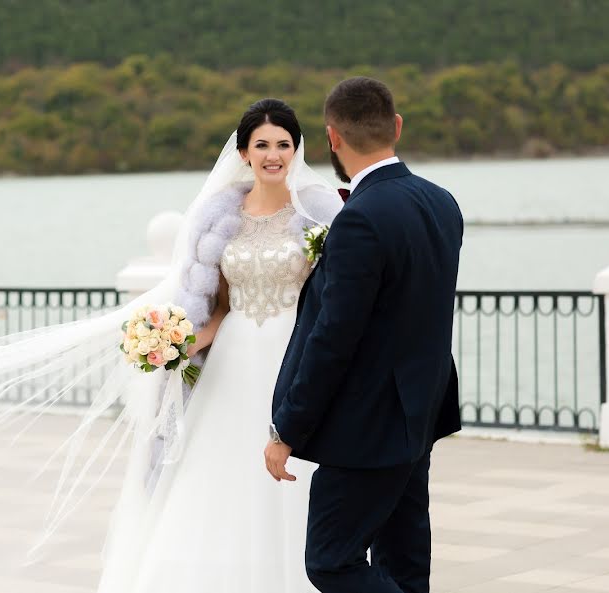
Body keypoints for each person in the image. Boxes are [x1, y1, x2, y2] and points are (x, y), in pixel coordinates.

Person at [0, 99, 342, 593]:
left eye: (283, 144)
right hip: (231, 365)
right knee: (218, 478)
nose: (273, 154)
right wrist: (175, 344)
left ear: (297, 150)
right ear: (243, 152)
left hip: (292, 359)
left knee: (291, 475)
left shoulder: (319, 213)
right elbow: (219, 307)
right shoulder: (220, 215)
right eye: (262, 145)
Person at [266, 77, 463, 593]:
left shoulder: (360, 219)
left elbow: (334, 338)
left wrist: (288, 428)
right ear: (396, 126)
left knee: (331, 561)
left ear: (332, 138)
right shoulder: (443, 203)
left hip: (368, 428)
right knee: (403, 563)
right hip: (419, 413)